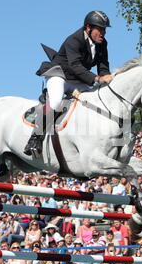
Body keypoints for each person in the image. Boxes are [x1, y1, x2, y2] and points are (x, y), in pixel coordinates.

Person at [24, 11, 113, 156]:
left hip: (77, 80)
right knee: (56, 102)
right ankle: (35, 138)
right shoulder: (74, 40)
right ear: (88, 28)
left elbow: (103, 67)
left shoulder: (102, 44)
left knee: (94, 101)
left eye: (105, 30)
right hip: (59, 76)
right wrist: (97, 79)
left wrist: (106, 79)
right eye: (100, 29)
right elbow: (75, 66)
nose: (103, 33)